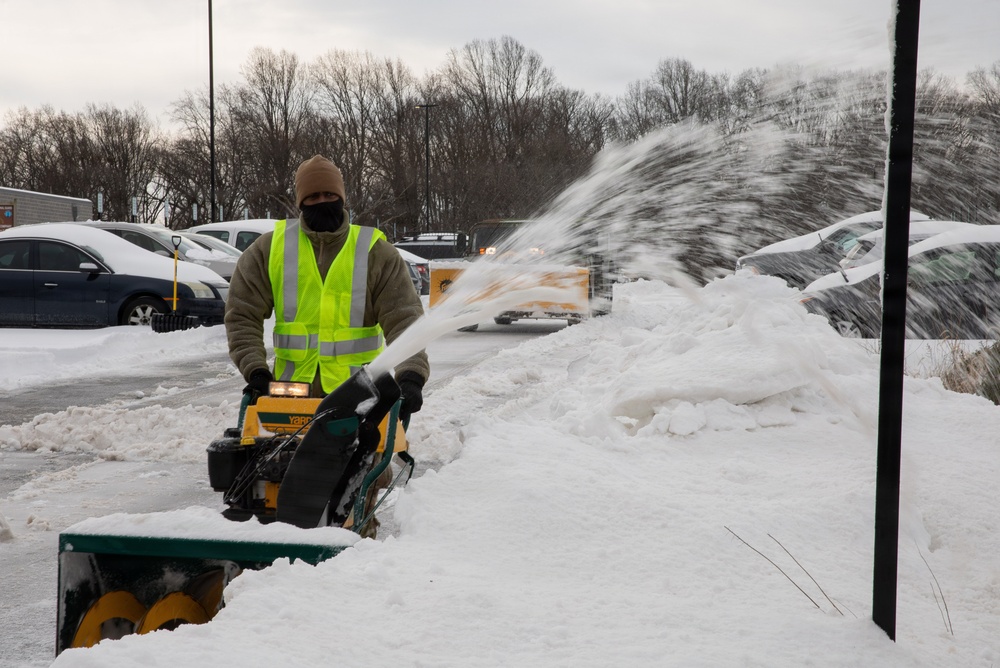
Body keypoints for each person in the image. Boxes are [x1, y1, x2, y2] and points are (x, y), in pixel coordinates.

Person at [224, 154, 429, 535]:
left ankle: (351, 554)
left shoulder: (375, 251)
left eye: (328, 195)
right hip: (287, 396)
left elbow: (405, 320)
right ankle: (270, 556)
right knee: (274, 484)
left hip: (359, 397)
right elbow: (241, 314)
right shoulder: (271, 249)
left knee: (353, 492)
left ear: (343, 198)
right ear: (300, 203)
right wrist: (254, 369)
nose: (322, 204)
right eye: (313, 197)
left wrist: (412, 375)